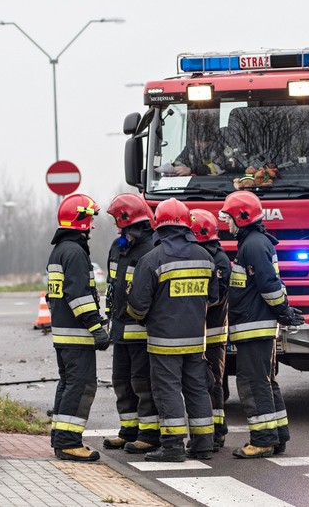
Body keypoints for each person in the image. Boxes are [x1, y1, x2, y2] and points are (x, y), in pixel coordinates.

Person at [127, 198, 219, 462]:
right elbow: (213, 298)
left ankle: (172, 447)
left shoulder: (151, 259)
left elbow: (138, 306)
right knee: (197, 389)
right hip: (196, 340)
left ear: (159, 224)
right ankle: (203, 444)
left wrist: (142, 317)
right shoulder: (205, 257)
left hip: (164, 341)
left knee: (167, 391)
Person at [218, 191, 304, 458]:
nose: (226, 223)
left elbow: (268, 284)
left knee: (253, 383)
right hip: (256, 326)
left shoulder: (253, 245)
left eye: (229, 218)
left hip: (254, 327)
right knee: (266, 382)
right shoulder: (255, 242)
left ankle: (263, 440)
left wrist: (283, 310)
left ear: (241, 217)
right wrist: (283, 311)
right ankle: (277, 436)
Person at [47, 193, 111, 462]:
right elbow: (79, 296)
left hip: (63, 335)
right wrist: (96, 327)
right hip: (77, 336)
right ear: (80, 219)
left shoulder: (60, 250)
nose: (93, 225)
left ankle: (60, 437)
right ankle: (69, 442)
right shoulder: (74, 252)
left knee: (68, 384)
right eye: (90, 218)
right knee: (81, 386)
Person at [101, 193, 161, 454]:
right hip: (120, 330)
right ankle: (128, 431)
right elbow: (112, 287)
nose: (117, 228)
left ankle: (149, 434)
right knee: (121, 381)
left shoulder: (152, 248)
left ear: (131, 221)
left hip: (142, 332)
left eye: (119, 222)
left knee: (142, 383)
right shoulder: (118, 247)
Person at [190, 208, 231, 452]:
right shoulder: (206, 256)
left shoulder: (219, 260)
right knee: (203, 383)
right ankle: (209, 431)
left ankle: (217, 432)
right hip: (200, 331)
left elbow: (215, 297)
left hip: (213, 333)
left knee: (213, 382)